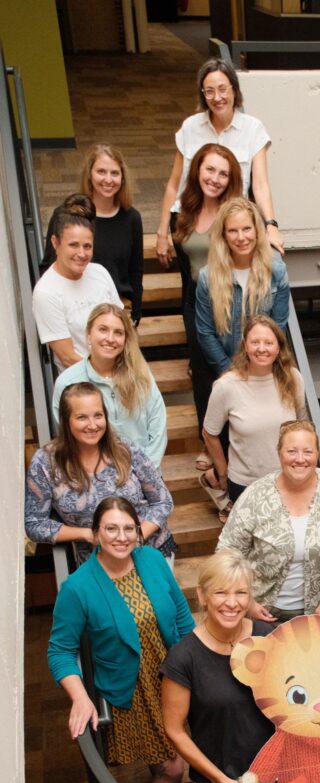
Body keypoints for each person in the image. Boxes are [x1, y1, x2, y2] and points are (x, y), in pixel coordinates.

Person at [47, 497, 195, 783]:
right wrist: (80, 696)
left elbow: (183, 619)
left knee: (174, 762)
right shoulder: (78, 587)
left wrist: (199, 666)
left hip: (171, 677)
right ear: (96, 533)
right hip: (133, 691)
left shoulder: (153, 560)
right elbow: (59, 651)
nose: (121, 536)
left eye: (129, 528)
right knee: (171, 769)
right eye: (111, 528)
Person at [161, 550, 287, 783]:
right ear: (202, 596)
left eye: (240, 592)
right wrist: (221, 781)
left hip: (275, 777)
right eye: (221, 592)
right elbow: (174, 730)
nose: (231, 602)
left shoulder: (266, 636)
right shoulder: (184, 658)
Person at [217, 419, 320, 627]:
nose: (300, 459)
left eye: (308, 451)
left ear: (317, 454)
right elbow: (226, 553)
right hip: (263, 615)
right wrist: (246, 601)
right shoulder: (256, 495)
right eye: (291, 451)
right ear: (279, 454)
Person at [156, 57, 283, 267]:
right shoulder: (190, 127)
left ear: (234, 89)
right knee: (193, 286)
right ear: (202, 94)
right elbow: (174, 183)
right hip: (189, 220)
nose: (217, 97)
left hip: (232, 223)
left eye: (223, 89)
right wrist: (162, 231)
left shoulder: (253, 129)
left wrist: (271, 225)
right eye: (209, 91)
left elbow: (260, 186)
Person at [25, 382, 175, 560]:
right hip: (98, 564)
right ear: (66, 421)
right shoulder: (45, 463)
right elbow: (35, 524)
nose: (92, 425)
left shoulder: (124, 448)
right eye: (82, 417)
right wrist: (88, 535)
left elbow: (163, 502)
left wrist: (133, 538)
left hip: (151, 551)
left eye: (98, 415)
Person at [171, 143, 243, 441]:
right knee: (202, 375)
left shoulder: (236, 215)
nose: (215, 178)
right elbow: (185, 267)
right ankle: (210, 443)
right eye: (209, 169)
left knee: (229, 372)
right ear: (198, 170)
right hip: (194, 301)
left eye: (223, 173)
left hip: (227, 300)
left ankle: (234, 440)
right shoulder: (185, 212)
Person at [203, 314, 307, 510]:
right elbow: (209, 433)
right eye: (255, 342)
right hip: (246, 485)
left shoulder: (293, 378)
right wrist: (223, 473)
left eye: (268, 342)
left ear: (279, 347)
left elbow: (303, 427)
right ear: (245, 345)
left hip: (290, 479)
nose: (261, 348)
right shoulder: (226, 386)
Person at [51, 304, 167, 468]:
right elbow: (71, 439)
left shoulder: (141, 375)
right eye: (103, 329)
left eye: (118, 332)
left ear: (125, 339)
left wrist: (144, 474)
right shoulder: (67, 383)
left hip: (146, 474)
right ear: (89, 334)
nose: (110, 338)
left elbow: (158, 429)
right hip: (97, 482)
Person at [42, 145, 143, 324]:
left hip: (118, 308)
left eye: (114, 173)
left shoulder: (131, 218)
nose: (108, 179)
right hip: (75, 307)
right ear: (89, 175)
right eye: (101, 172)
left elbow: (136, 270)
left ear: (123, 177)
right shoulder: (65, 215)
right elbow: (48, 265)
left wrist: (136, 312)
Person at [195, 197, 289, 386]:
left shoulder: (277, 272)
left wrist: (259, 370)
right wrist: (231, 374)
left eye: (246, 228)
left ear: (257, 230)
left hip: (266, 373)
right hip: (226, 377)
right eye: (233, 230)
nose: (241, 237)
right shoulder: (207, 277)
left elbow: (278, 328)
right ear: (223, 235)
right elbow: (205, 332)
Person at [32, 200, 122, 370]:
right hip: (83, 387)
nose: (81, 254)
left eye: (87, 246)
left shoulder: (100, 272)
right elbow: (68, 358)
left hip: (119, 374)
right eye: (73, 245)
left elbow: (122, 326)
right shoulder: (46, 292)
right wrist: (108, 376)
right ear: (55, 243)